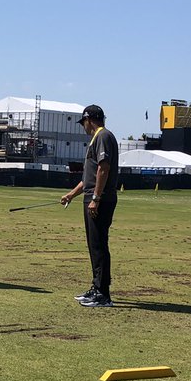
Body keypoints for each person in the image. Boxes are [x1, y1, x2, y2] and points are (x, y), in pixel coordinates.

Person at [60, 104, 119, 307]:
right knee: (94, 245)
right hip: (93, 197)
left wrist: (95, 198)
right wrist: (72, 195)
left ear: (89, 120)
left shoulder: (103, 136)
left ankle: (103, 293)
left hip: (100, 200)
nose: (83, 127)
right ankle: (96, 287)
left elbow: (104, 169)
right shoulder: (97, 139)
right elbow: (90, 177)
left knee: (98, 245)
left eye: (83, 122)